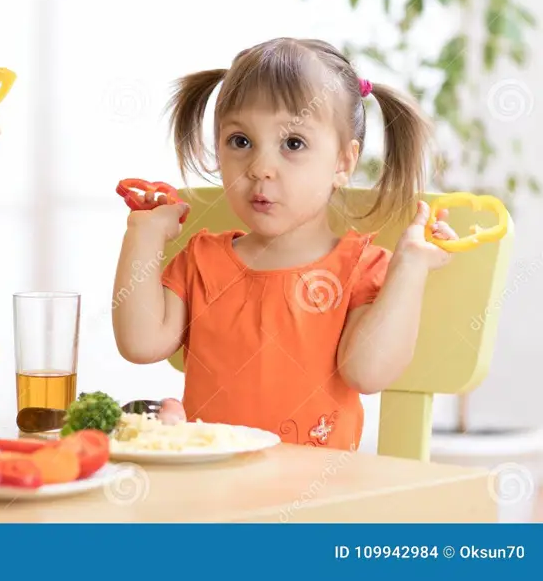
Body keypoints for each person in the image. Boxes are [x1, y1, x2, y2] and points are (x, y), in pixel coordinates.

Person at [112, 37, 457, 450]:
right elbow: (140, 343)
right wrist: (143, 234)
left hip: (317, 505)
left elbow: (368, 373)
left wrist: (410, 268)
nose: (260, 168)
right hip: (214, 496)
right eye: (240, 141)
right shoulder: (202, 259)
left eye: (293, 144)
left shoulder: (358, 267)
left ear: (343, 163)